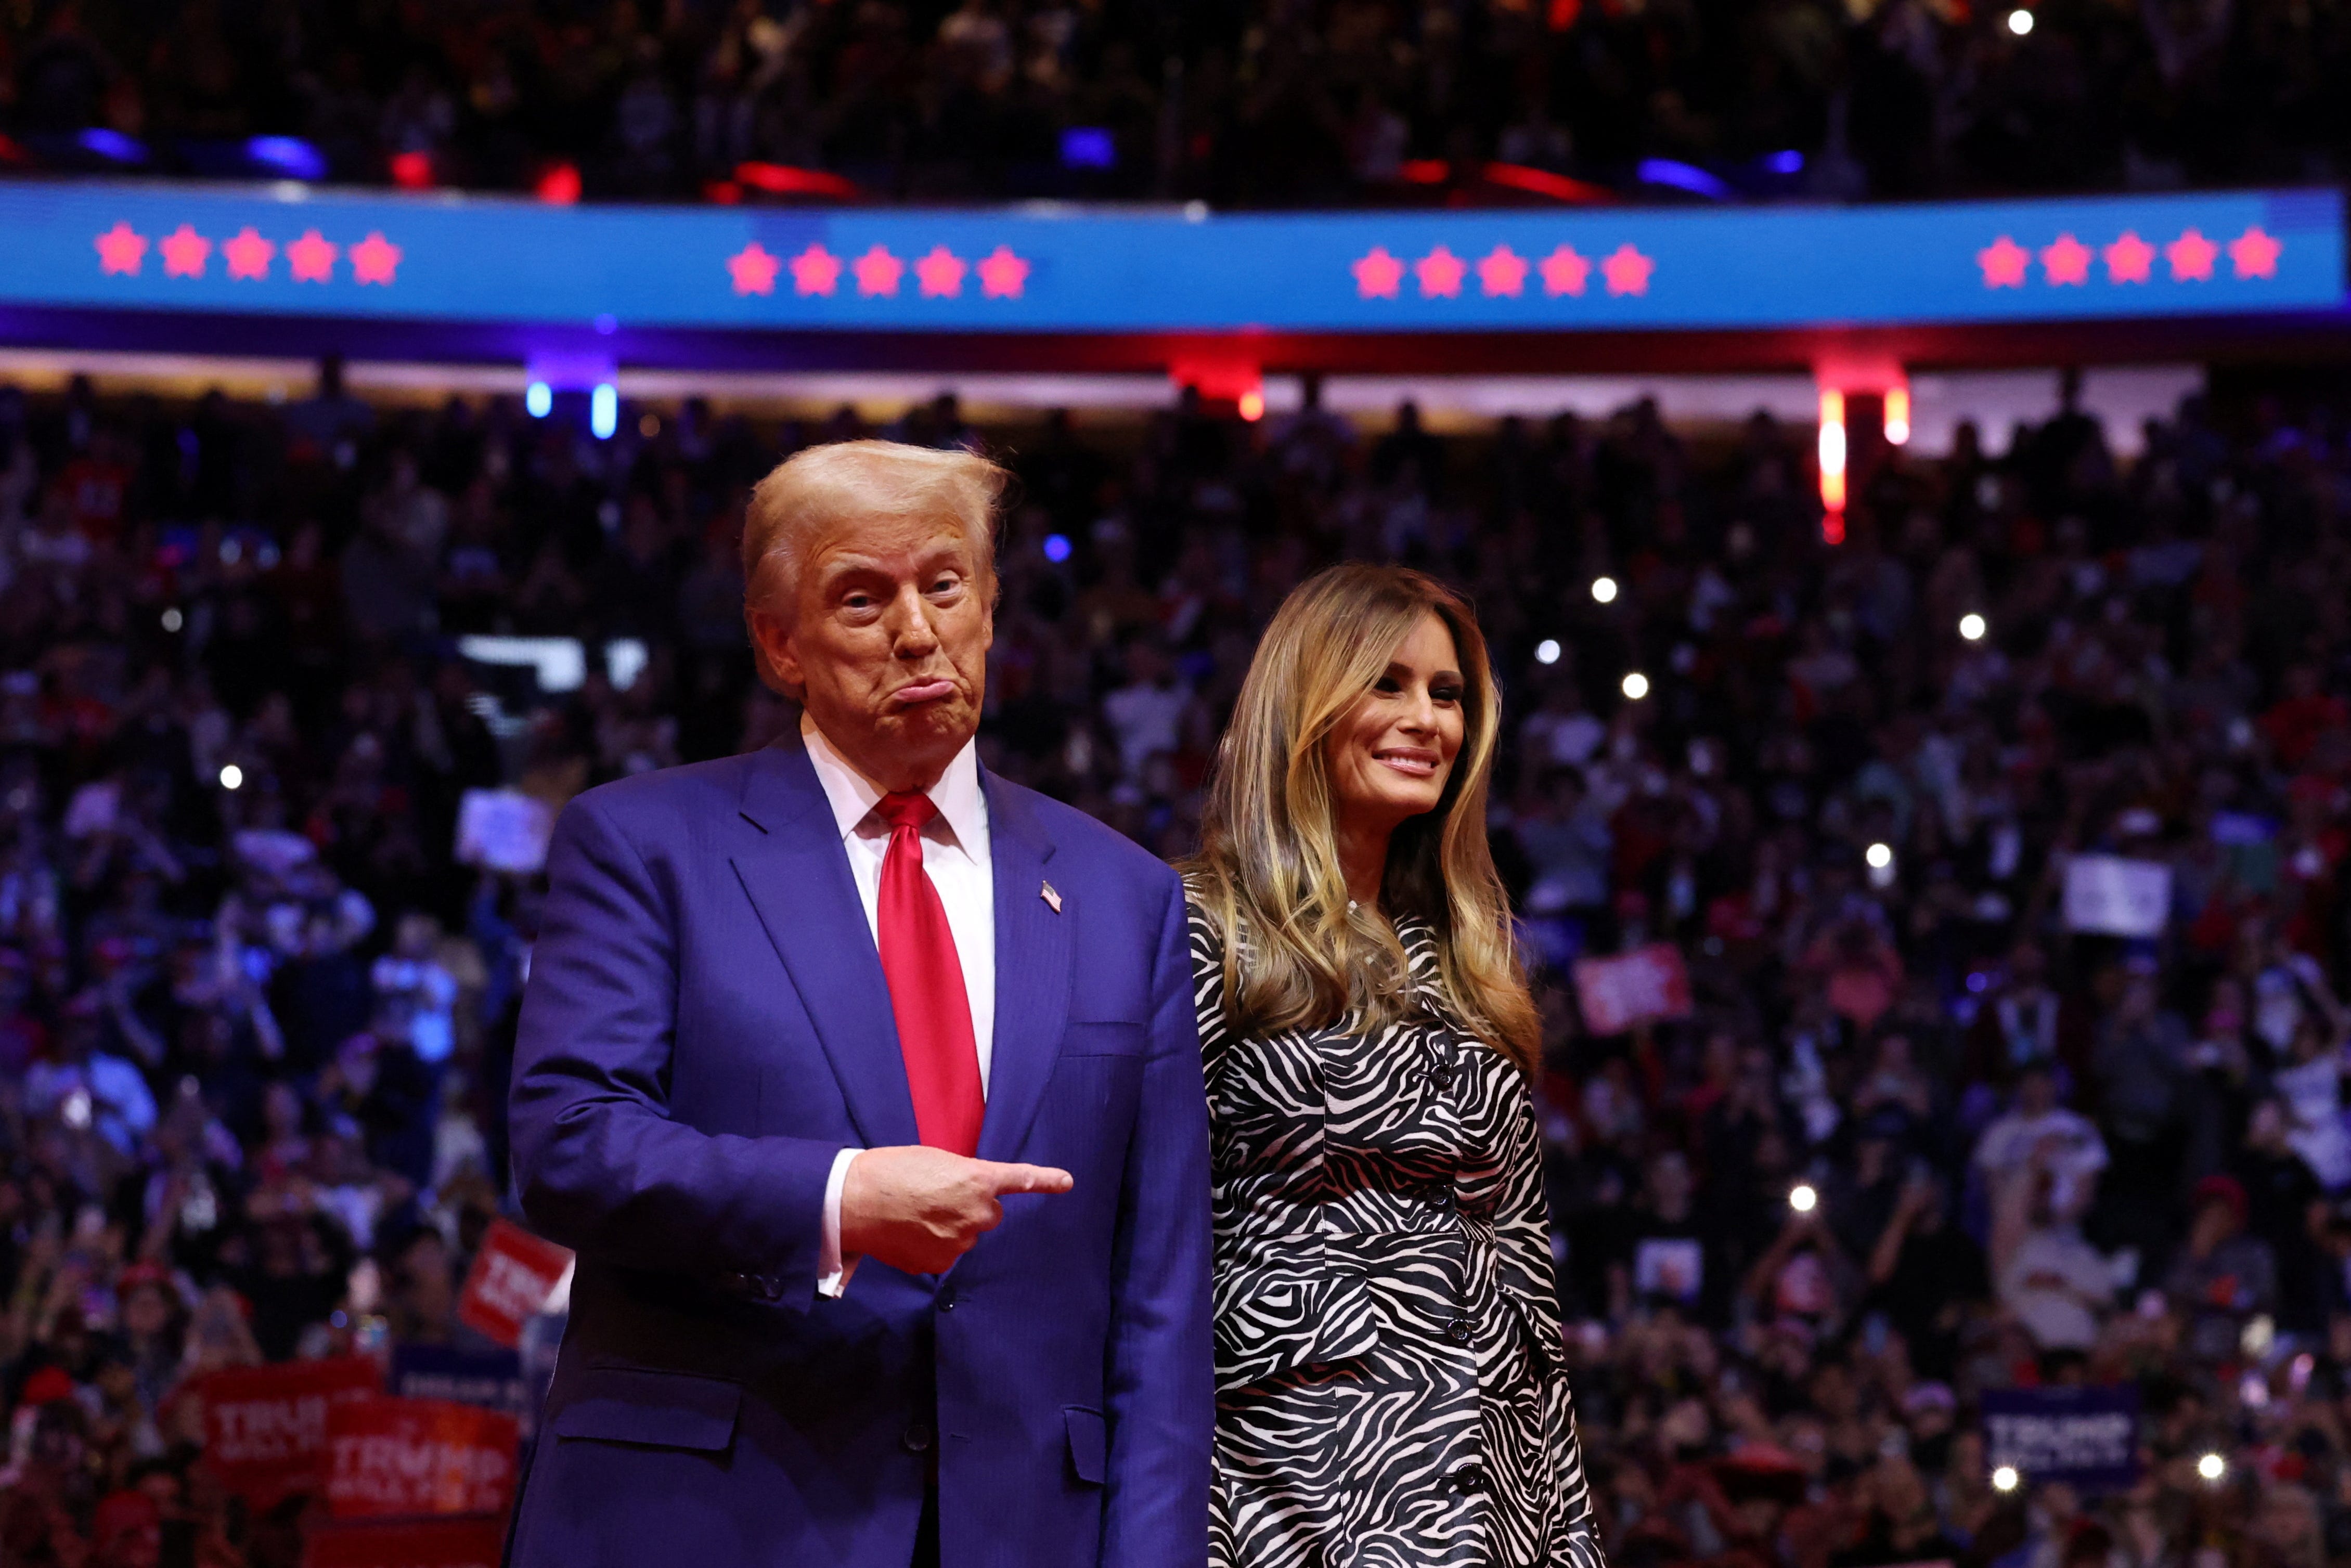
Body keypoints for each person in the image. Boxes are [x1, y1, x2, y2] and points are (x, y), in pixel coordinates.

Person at [505, 440, 1213, 1568]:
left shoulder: (1129, 896)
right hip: (705, 1523)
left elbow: (1162, 1303)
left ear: (990, 606)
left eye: (944, 584)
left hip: (1024, 1530)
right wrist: (836, 1196)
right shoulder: (645, 844)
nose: (916, 630)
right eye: (859, 597)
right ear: (778, 642)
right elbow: (569, 1144)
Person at [1180, 563, 1607, 1568]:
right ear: (1306, 704)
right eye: (1388, 683)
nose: (1428, 720)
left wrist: (1569, 1533)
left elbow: (1520, 1263)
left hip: (1495, 1481)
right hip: (1286, 1483)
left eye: (1448, 694)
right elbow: (1142, 1236)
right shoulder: (1200, 931)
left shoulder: (1469, 959)